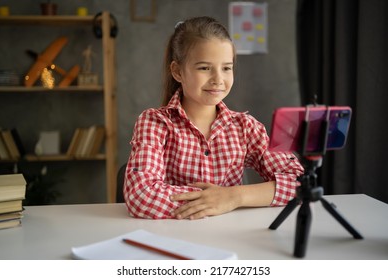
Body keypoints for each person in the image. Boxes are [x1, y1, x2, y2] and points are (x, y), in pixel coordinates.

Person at [124, 16, 304, 220]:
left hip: (230, 239)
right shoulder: (155, 123)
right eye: (204, 68)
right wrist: (211, 202)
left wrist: (234, 197)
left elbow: (300, 183)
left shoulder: (246, 127)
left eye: (226, 68)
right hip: (175, 238)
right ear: (177, 72)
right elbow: (140, 195)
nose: (218, 79)